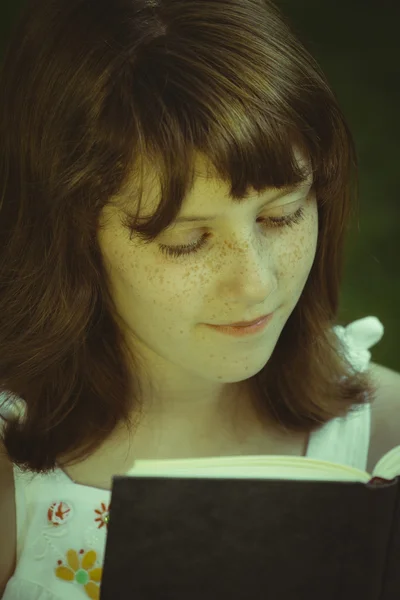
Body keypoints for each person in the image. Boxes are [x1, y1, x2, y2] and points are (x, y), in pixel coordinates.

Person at [0, 0, 398, 599]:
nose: (256, 284)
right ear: (69, 239)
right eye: (186, 242)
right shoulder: (15, 470)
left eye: (282, 215)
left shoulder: (383, 435)